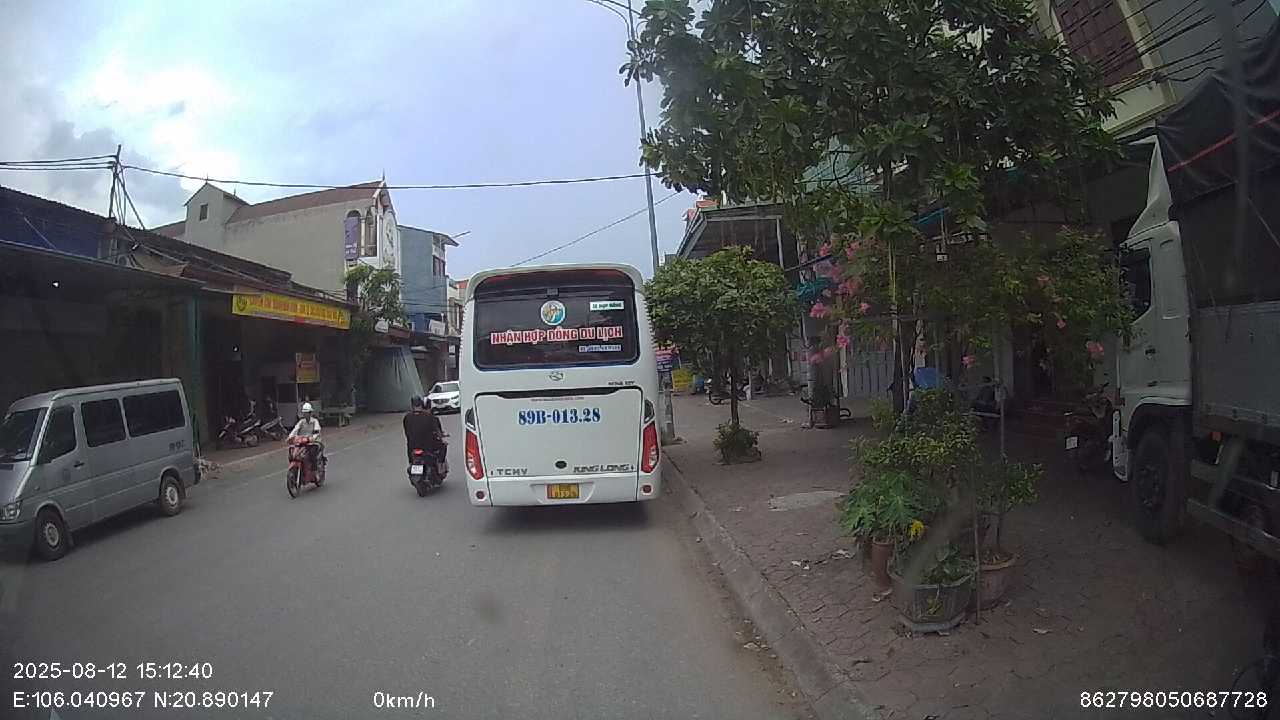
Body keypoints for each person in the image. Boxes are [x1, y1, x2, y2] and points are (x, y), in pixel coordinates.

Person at [403, 395, 444, 470]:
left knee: (409, 445)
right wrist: (441, 437)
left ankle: (411, 463)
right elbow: (437, 430)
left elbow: (407, 432)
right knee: (443, 446)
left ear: (412, 405)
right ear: (421, 404)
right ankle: (440, 465)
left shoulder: (407, 417)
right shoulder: (429, 416)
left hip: (412, 446)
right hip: (428, 446)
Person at [287, 402, 324, 468]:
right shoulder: (301, 422)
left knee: (312, 454)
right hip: (302, 441)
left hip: (313, 442)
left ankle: (314, 468)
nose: (305, 414)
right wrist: (290, 437)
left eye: (307, 412)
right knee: (292, 453)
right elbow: (295, 429)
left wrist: (312, 438)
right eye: (304, 413)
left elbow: (317, 432)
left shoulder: (315, 421)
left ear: (310, 413)